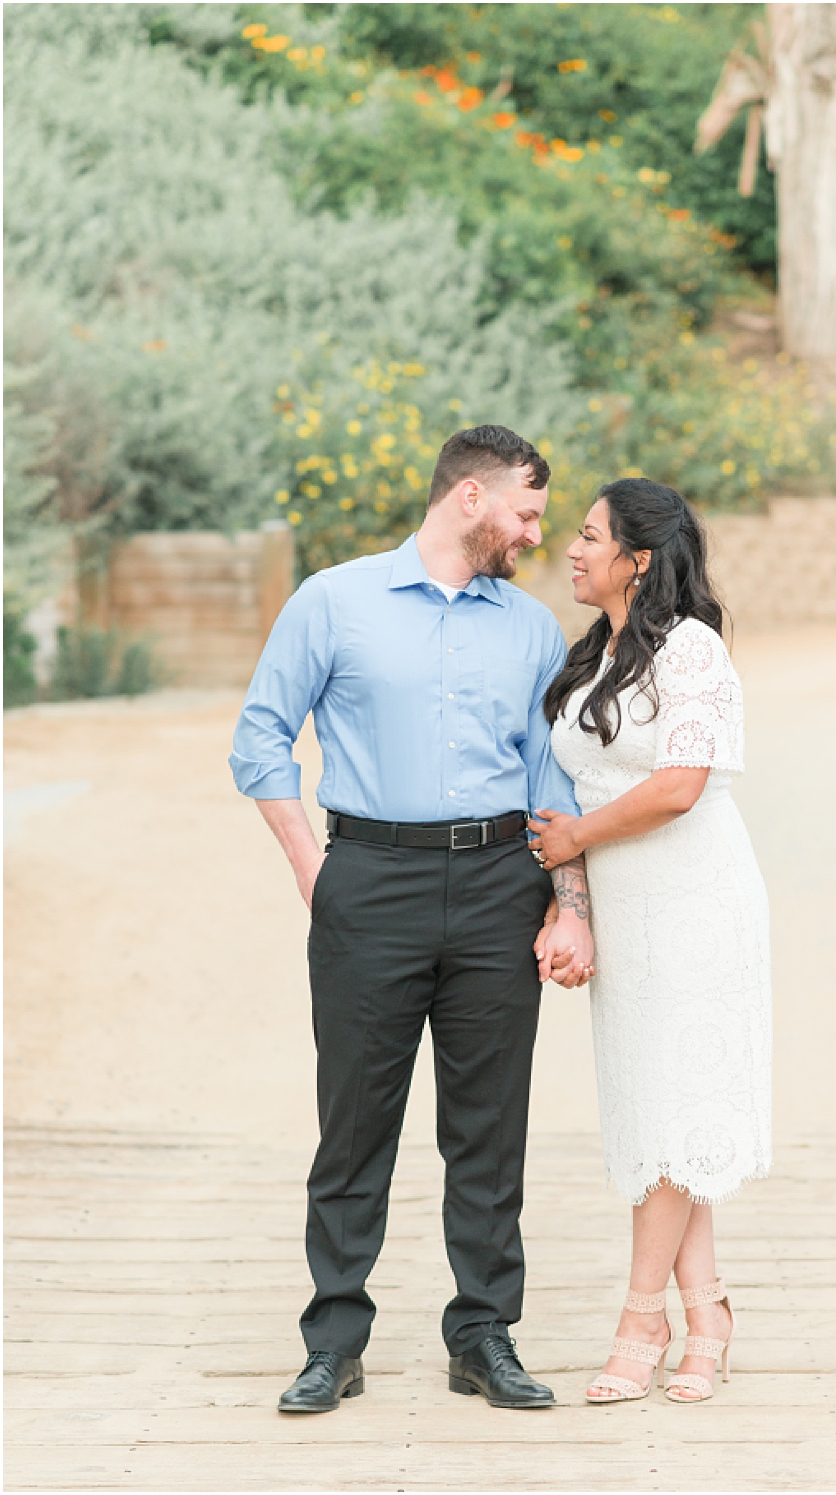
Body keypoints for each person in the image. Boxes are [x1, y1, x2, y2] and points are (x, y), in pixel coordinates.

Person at [230, 425, 596, 1414]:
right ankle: (333, 1341)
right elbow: (260, 733)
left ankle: (483, 1335)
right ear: (470, 499)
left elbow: (546, 776)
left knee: (487, 1128)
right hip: (368, 876)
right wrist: (315, 867)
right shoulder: (333, 601)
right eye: (524, 511)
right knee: (353, 1122)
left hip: (497, 881)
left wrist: (569, 905)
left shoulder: (526, 629)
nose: (533, 534)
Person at [525, 479, 770, 1405]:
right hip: (626, 911)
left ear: (637, 557)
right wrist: (571, 898)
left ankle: (642, 1320)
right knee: (662, 1115)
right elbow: (562, 802)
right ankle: (707, 1312)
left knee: (677, 1110)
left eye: (590, 536)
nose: (573, 549)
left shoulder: (692, 652)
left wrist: (579, 840)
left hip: (698, 902)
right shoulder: (594, 656)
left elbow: (679, 785)